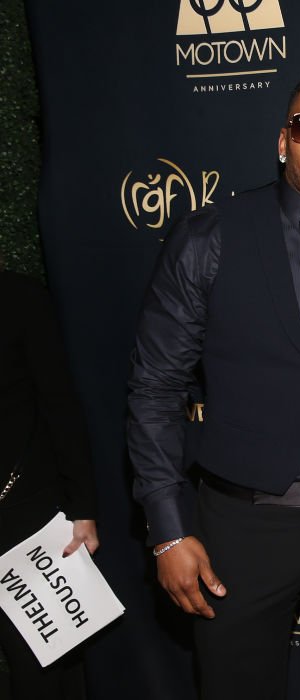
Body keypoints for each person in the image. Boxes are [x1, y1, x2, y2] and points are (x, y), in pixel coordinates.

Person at [126, 69, 300, 699]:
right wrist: (168, 527)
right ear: (284, 140)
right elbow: (155, 389)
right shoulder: (209, 238)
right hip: (236, 528)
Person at [0, 267, 99, 700]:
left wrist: (83, 508)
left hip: (25, 514)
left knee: (42, 664)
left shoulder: (18, 298)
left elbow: (60, 402)